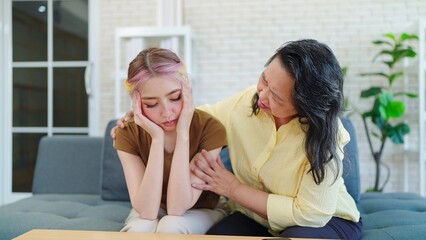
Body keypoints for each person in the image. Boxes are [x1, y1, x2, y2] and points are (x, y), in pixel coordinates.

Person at [112, 39, 362, 239]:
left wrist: (232, 188)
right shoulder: (247, 102)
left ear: (305, 106)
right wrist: (140, 114)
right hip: (253, 216)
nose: (261, 95)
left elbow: (311, 214)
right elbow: (193, 118)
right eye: (264, 79)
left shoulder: (328, 135)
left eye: (276, 97)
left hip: (325, 222)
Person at [113, 47, 228, 234]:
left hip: (202, 209)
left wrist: (183, 134)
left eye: (175, 97)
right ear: (136, 101)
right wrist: (157, 140)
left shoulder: (210, 129)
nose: (167, 112)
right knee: (139, 229)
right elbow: (147, 211)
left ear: (187, 89)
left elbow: (177, 208)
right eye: (151, 104)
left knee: (171, 226)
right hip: (151, 208)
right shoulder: (127, 132)